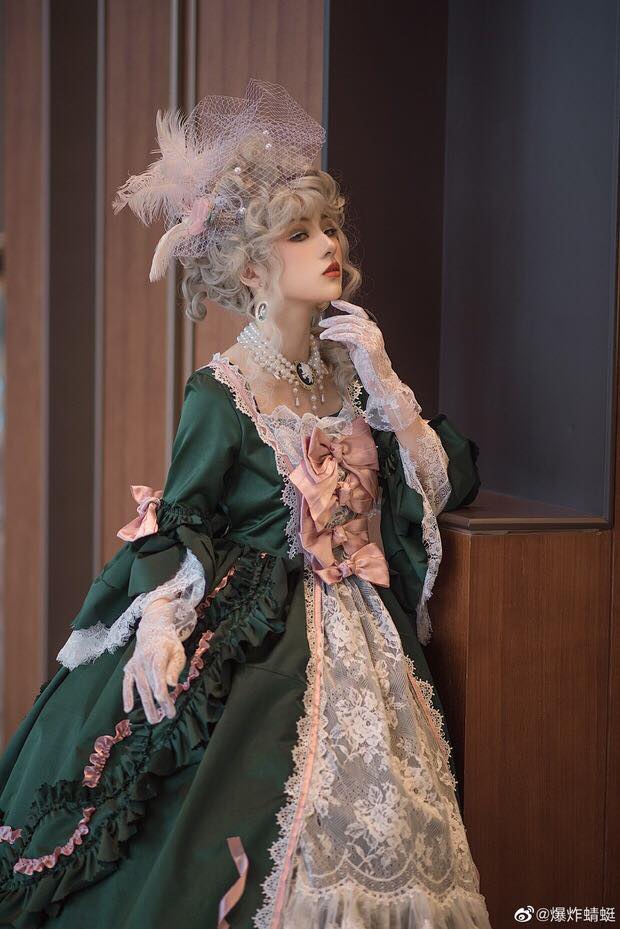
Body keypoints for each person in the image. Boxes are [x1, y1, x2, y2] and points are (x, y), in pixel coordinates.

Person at [0, 79, 491, 929]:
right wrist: (161, 625)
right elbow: (183, 516)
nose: (328, 244)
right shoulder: (222, 390)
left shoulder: (351, 374)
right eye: (300, 233)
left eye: (329, 226)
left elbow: (441, 483)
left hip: (365, 631)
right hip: (263, 626)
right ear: (254, 269)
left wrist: (385, 382)